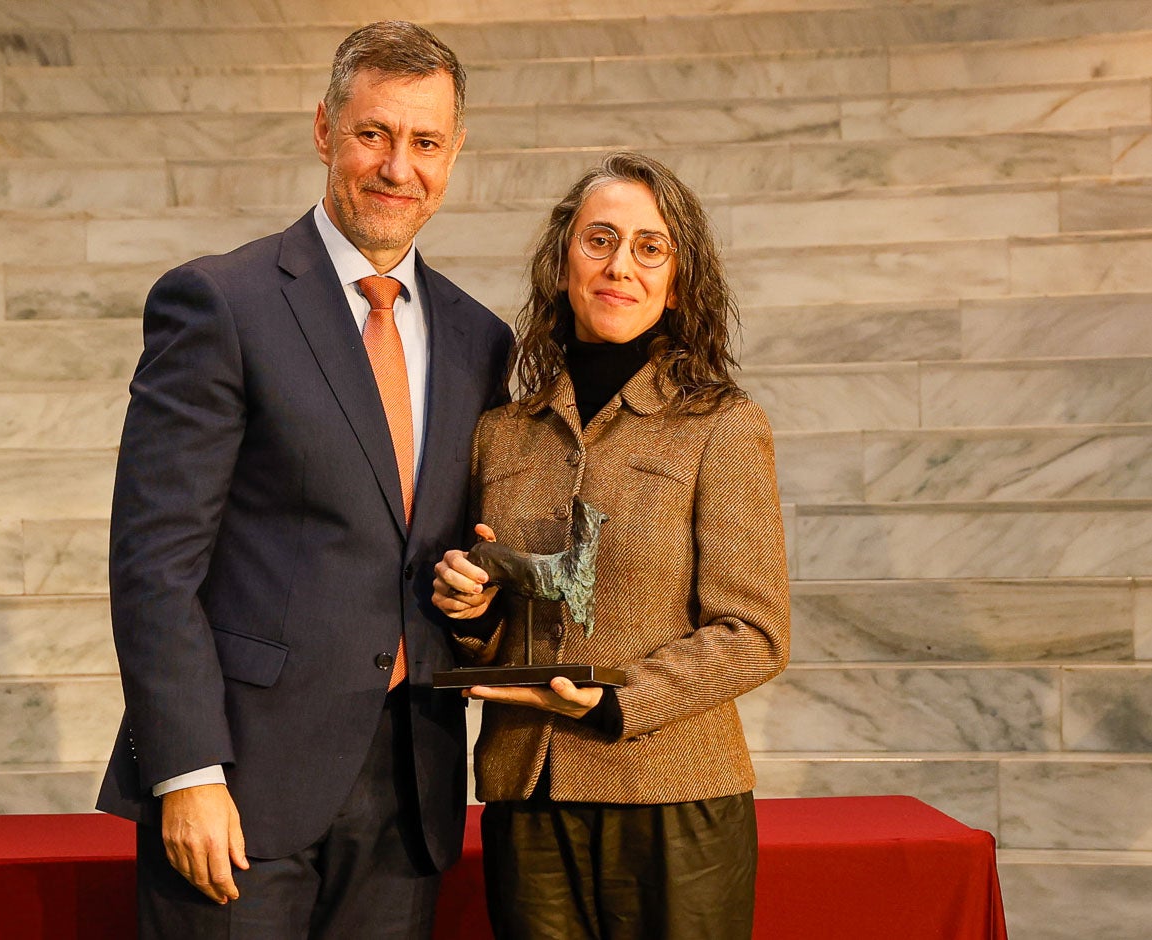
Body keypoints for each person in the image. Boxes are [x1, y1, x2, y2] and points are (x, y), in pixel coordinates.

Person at [97, 21, 513, 939]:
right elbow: (154, 562)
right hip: (242, 786)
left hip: (410, 793)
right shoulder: (221, 302)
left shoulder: (482, 340)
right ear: (324, 130)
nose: (397, 167)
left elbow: (456, 547)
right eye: (373, 134)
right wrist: (186, 772)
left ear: (453, 156)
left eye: (425, 142)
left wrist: (479, 595)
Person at [432, 151, 790, 939]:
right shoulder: (500, 433)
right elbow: (496, 625)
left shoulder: (722, 426)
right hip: (528, 795)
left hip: (673, 796)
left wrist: (618, 704)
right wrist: (471, 612)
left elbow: (754, 634)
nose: (619, 264)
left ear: (677, 282)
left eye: (648, 247)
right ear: (563, 262)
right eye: (599, 240)